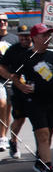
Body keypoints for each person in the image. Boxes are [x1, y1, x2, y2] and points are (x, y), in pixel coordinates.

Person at [7, 24, 53, 172]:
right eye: (44, 35)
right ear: (34, 38)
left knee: (48, 134)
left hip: (52, 101)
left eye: (49, 35)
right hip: (34, 102)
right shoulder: (25, 57)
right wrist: (21, 86)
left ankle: (40, 161)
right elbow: (14, 76)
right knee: (42, 134)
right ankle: (48, 168)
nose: (47, 38)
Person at [0, 25, 32, 159]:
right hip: (18, 90)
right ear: (18, 36)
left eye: (27, 35)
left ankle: (42, 155)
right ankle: (13, 141)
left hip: (35, 91)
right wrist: (10, 76)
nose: (24, 38)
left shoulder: (37, 49)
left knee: (41, 123)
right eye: (21, 36)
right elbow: (2, 67)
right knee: (19, 119)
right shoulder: (12, 50)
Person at [0, 12, 18, 150]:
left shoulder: (13, 39)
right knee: (2, 103)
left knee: (8, 109)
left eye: (5, 20)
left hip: (11, 77)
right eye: (0, 20)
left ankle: (4, 137)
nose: (2, 23)